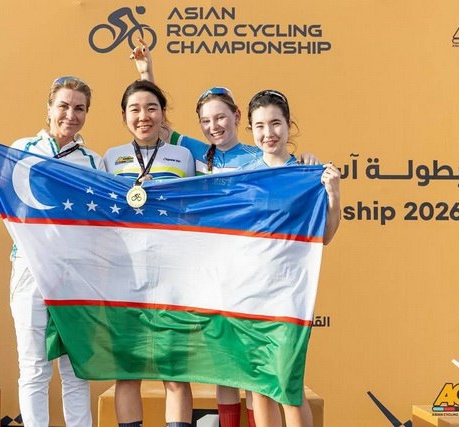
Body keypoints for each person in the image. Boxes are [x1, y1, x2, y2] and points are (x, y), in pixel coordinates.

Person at [130, 39, 320, 427]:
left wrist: (307, 166)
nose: (214, 126)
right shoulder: (199, 153)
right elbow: (160, 125)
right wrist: (146, 73)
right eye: (206, 121)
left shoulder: (257, 157)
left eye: (221, 117)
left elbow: (286, 176)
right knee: (226, 368)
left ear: (237, 117)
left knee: (257, 374)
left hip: (257, 273)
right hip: (216, 273)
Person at [0, 76, 105, 427]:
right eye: (63, 106)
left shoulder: (94, 162)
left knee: (76, 371)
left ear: (87, 113)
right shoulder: (22, 149)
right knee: (33, 368)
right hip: (30, 270)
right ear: (49, 109)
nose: (71, 115)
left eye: (79, 108)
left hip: (77, 276)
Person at [244, 89, 340, 427]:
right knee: (259, 388)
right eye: (259, 126)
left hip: (290, 295)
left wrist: (333, 194)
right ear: (251, 130)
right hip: (250, 294)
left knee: (288, 386)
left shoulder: (307, 174)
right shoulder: (244, 176)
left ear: (288, 125)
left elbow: (324, 236)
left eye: (275, 123)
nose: (268, 133)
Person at [103, 79, 195, 427]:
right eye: (135, 109)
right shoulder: (110, 157)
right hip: (125, 276)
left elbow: (195, 208)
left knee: (175, 372)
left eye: (151, 108)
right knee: (128, 372)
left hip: (172, 275)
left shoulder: (183, 156)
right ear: (124, 116)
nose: (144, 116)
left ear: (163, 114)